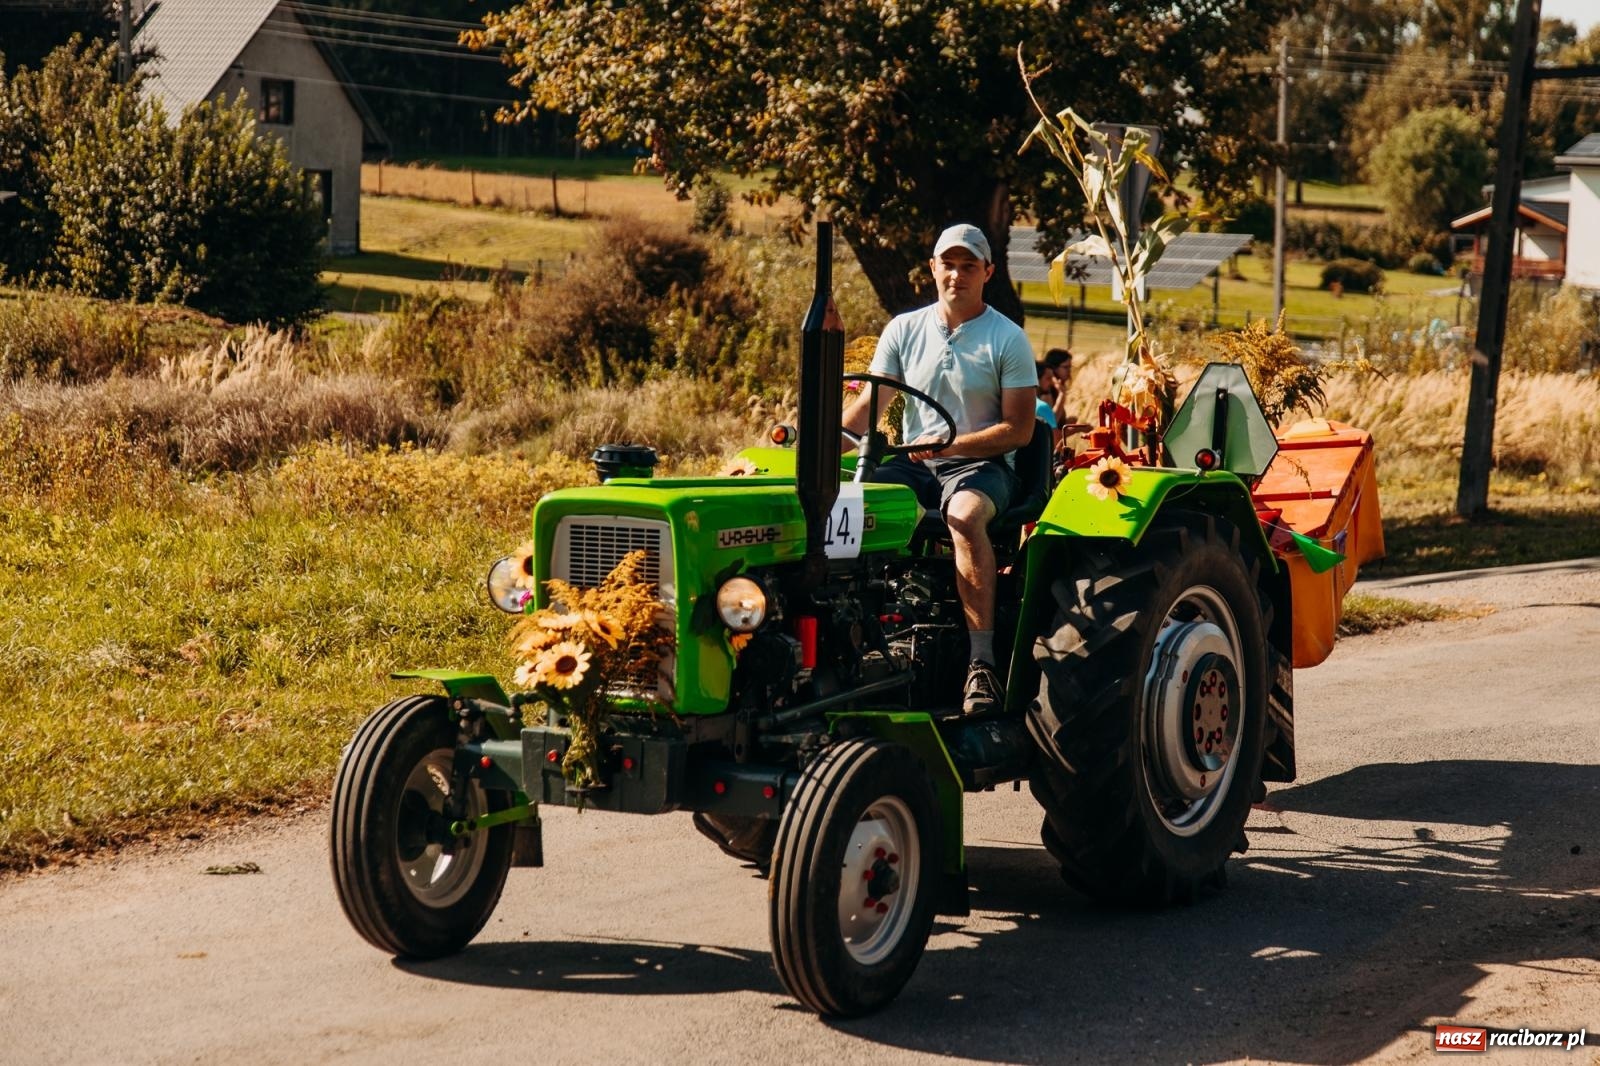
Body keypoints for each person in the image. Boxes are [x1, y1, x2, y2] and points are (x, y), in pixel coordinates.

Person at [841, 223, 1037, 716]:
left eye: (968, 265)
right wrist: (815, 443)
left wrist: (948, 446)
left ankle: (982, 665)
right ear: (932, 268)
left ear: (987, 273)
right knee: (846, 503)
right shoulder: (904, 329)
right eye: (948, 264)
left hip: (981, 466)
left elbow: (1018, 430)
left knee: (965, 517)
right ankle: (850, 643)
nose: (956, 274)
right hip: (917, 465)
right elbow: (869, 406)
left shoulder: (1007, 339)